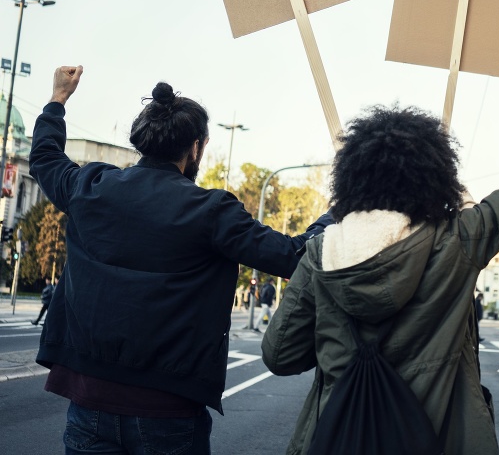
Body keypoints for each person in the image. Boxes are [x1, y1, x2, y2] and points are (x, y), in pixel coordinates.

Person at [261, 44, 499, 455]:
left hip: (339, 438)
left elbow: (279, 355)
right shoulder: (458, 240)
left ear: (352, 180)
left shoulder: (322, 253)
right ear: (435, 178)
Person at [29, 65, 332, 454]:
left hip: (88, 403)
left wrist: (58, 100)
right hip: (168, 413)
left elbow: (44, 157)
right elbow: (294, 256)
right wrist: (338, 211)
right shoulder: (212, 211)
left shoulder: (89, 187)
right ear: (195, 148)